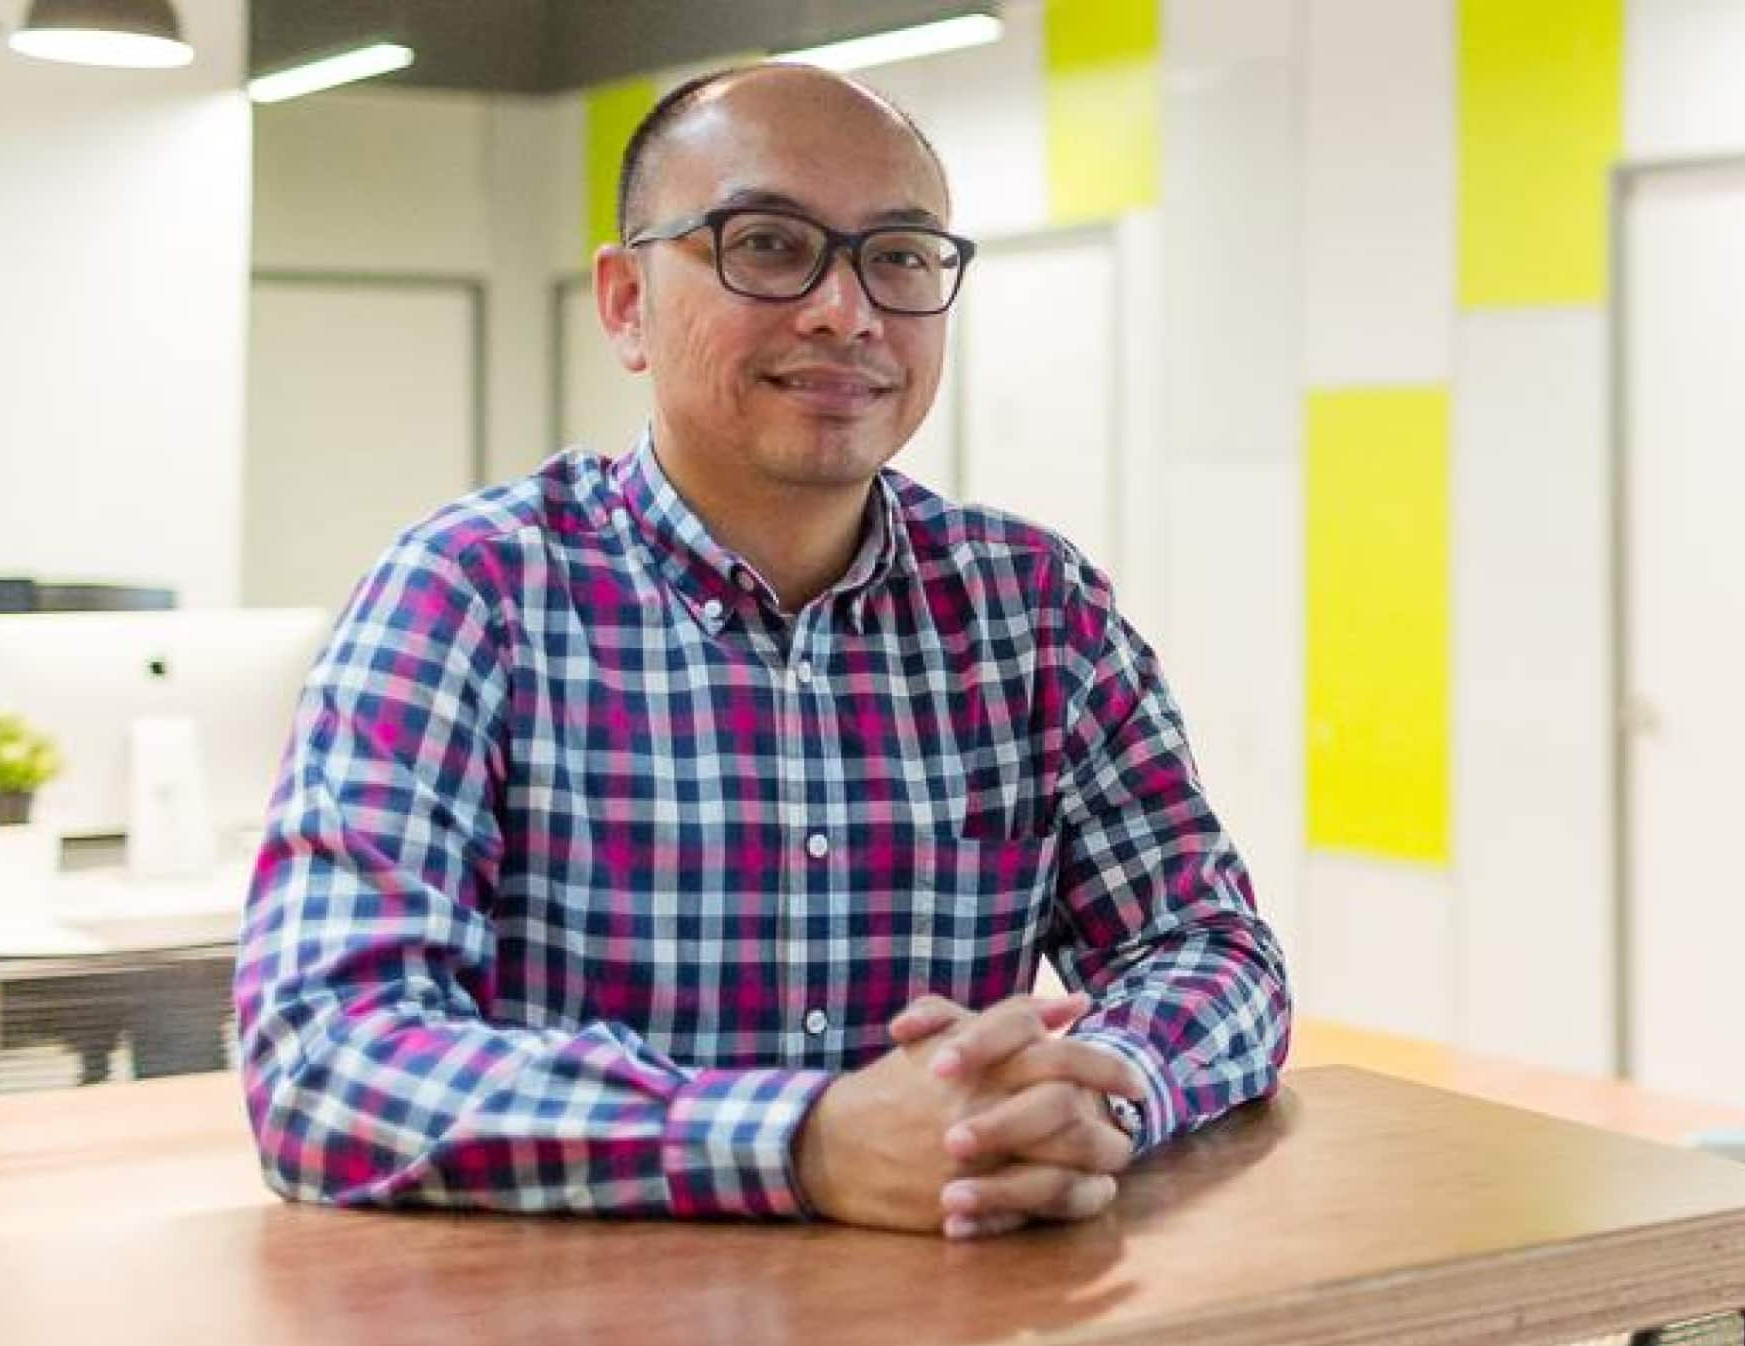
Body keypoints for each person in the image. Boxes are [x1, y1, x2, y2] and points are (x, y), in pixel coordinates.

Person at [233, 62, 1289, 1241]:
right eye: (769, 245)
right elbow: (325, 1057)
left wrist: (1086, 1084)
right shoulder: (467, 595)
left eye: (898, 256)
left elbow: (1209, 947)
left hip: (949, 1312)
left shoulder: (1034, 611)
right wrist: (800, 1141)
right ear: (627, 301)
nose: (848, 310)